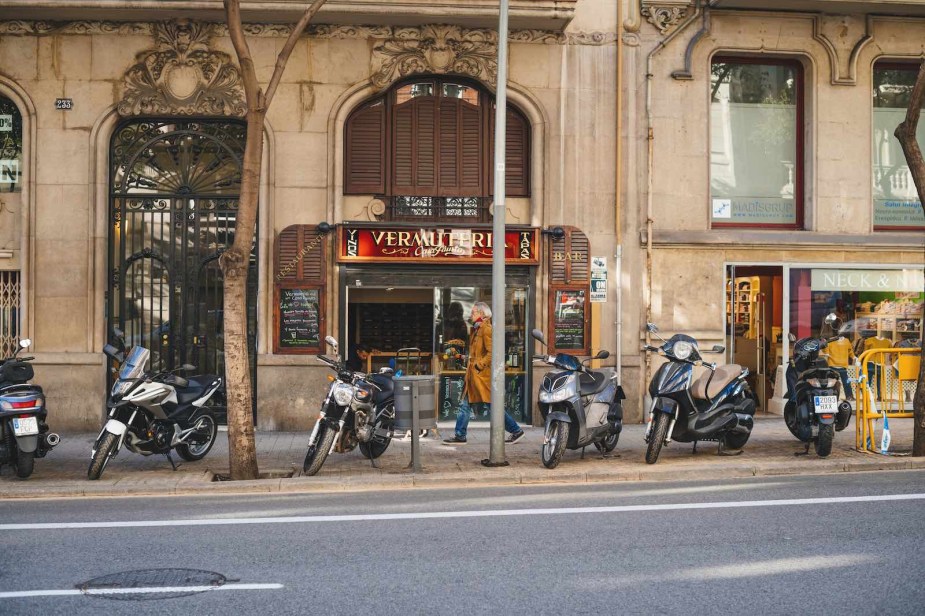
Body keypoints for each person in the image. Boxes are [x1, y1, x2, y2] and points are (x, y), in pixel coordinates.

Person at [443, 301, 525, 445]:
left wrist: (478, 366)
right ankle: (460, 434)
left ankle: (516, 430)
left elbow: (491, 352)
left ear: (481, 314)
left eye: (473, 312)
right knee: (465, 404)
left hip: (481, 376)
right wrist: (463, 358)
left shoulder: (486, 329)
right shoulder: (476, 329)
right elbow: (477, 353)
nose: (471, 314)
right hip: (474, 375)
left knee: (492, 405)